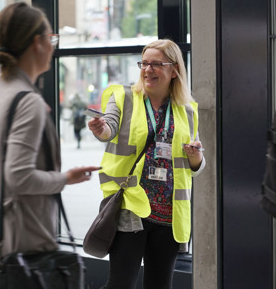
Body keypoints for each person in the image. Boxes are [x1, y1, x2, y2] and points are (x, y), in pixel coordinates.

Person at [0, 2, 100, 288]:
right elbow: (19, 176)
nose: (53, 46)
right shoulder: (28, 101)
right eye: (51, 39)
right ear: (37, 43)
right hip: (23, 241)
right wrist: (63, 179)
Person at [88, 39, 206, 289]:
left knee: (160, 285)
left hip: (169, 214)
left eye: (156, 64)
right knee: (121, 283)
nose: (147, 69)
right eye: (144, 63)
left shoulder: (187, 111)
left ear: (174, 70)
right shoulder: (125, 98)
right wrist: (102, 130)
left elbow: (195, 163)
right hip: (132, 206)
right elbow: (109, 126)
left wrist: (196, 159)